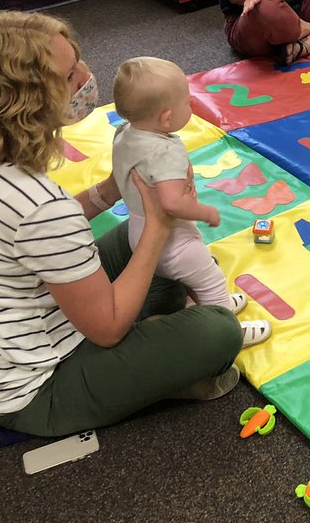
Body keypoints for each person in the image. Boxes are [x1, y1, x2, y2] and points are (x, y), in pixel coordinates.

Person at [0, 12, 246, 438]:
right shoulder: (39, 205)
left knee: (146, 249)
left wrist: (110, 190)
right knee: (216, 331)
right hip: (34, 391)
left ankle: (156, 343)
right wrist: (159, 225)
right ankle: (163, 366)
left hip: (11, 328)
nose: (89, 77)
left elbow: (29, 236)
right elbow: (105, 329)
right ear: (27, 101)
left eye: (80, 62)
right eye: (71, 76)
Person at [111, 57, 271, 347]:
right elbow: (171, 202)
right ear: (166, 119)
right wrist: (204, 212)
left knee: (196, 280)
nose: (192, 106)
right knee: (210, 279)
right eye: (186, 102)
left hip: (139, 231)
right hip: (173, 241)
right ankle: (228, 330)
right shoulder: (164, 150)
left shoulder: (124, 133)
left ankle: (202, 308)